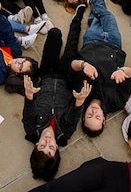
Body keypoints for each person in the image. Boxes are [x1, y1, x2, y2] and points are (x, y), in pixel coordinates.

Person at [23, 31, 92, 181]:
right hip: (66, 79)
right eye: (52, 148)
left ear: (36, 145)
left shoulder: (31, 129)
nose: (47, 141)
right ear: (57, 150)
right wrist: (79, 101)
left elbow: (29, 109)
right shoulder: (64, 133)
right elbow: (73, 117)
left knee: (55, 34)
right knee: (72, 48)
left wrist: (29, 94)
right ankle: (79, 12)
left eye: (42, 146)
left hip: (46, 75)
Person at [66, 0, 131, 137]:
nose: (94, 112)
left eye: (90, 116)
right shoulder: (116, 102)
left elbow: (71, 67)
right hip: (114, 45)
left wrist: (83, 65)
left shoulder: (80, 95)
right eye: (97, 117)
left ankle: (96, 2)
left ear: (83, 116)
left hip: (92, 42)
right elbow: (130, 75)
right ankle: (96, 1)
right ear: (104, 120)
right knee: (108, 17)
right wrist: (123, 71)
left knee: (94, 21)